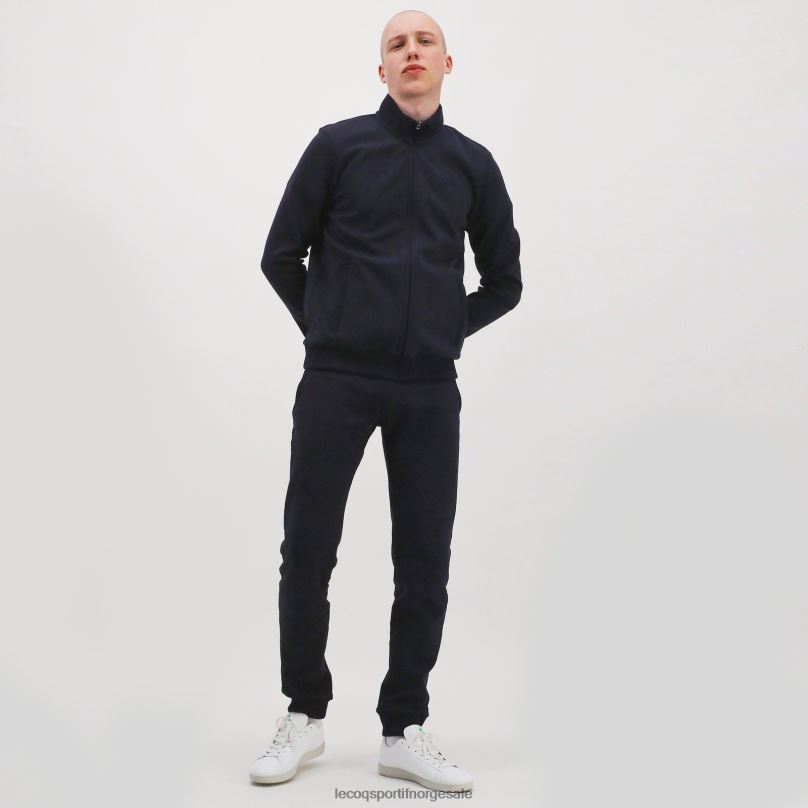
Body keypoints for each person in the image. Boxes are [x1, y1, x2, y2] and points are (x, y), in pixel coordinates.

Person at [249, 9, 522, 793]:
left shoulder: (472, 165)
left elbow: (504, 281)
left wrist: (441, 329)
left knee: (424, 558)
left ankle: (404, 728)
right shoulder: (338, 147)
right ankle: (304, 714)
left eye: (424, 41)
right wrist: (330, 326)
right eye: (396, 45)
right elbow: (280, 255)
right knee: (308, 548)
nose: (411, 52)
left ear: (446, 63)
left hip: (429, 388)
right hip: (336, 379)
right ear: (381, 70)